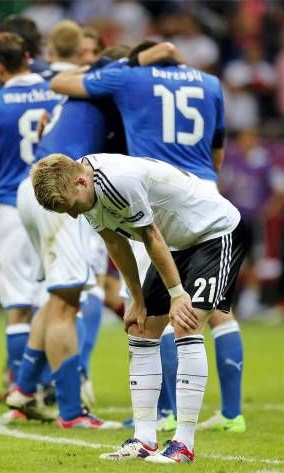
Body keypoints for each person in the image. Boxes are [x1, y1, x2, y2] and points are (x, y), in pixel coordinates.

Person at [51, 40, 246, 433]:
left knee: (184, 316)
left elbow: (60, 82)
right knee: (213, 316)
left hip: (156, 201)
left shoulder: (129, 77)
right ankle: (229, 412)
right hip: (196, 184)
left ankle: (171, 416)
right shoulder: (208, 82)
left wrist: (123, 63)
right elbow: (219, 148)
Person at [31, 153, 245, 463]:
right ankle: (144, 440)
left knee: (185, 323)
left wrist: (177, 294)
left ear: (80, 181)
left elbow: (150, 235)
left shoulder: (117, 181)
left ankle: (183, 445)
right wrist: (137, 301)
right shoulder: (86, 187)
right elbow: (116, 243)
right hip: (178, 243)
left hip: (215, 231)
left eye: (72, 207)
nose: (75, 215)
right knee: (140, 328)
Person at [6, 21, 119, 429]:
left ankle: (22, 390)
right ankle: (71, 412)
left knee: (56, 298)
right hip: (59, 187)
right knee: (68, 304)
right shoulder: (111, 93)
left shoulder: (77, 91)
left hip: (34, 184)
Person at [0, 32, 60, 408]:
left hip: (9, 208)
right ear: (27, 55)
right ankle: (59, 386)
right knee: (54, 299)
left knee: (18, 307)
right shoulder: (56, 93)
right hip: (55, 206)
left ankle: (22, 389)